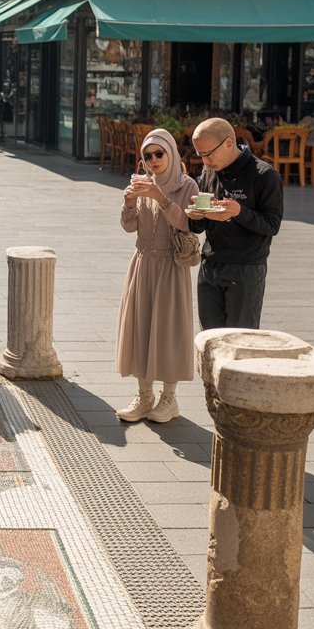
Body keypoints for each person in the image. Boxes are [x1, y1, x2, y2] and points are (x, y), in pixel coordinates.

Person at [115, 130, 200, 424]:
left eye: (158, 154)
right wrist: (128, 204)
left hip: (170, 266)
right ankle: (144, 395)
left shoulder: (187, 185)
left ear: (171, 154)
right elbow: (129, 228)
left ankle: (169, 399)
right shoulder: (141, 183)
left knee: (168, 330)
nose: (153, 161)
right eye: (147, 156)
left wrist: (160, 197)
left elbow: (187, 224)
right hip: (142, 263)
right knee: (140, 327)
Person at [186, 117, 284, 331]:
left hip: (246, 268)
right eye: (200, 155)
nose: (205, 161)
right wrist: (195, 215)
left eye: (208, 154)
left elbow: (272, 225)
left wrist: (239, 212)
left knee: (240, 338)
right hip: (210, 265)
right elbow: (198, 227)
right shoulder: (209, 172)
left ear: (229, 142)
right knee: (209, 340)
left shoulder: (264, 175)